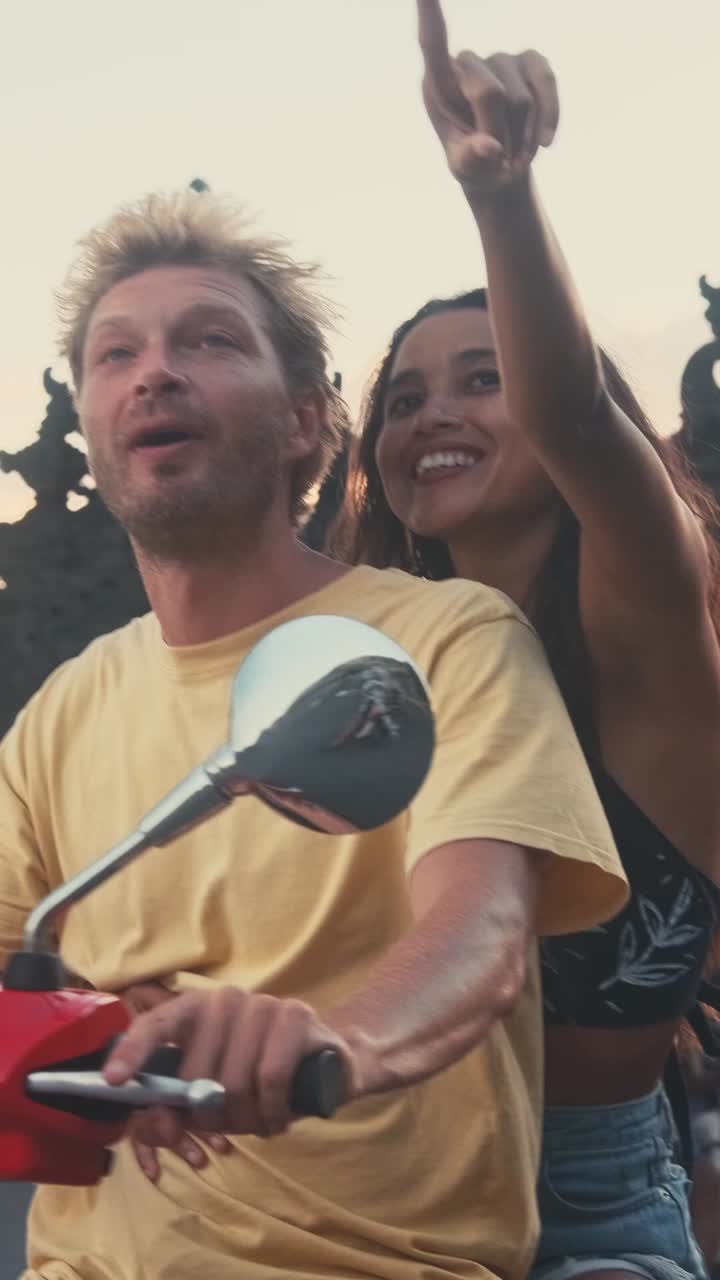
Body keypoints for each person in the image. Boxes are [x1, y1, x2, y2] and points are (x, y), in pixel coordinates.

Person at [0, 190, 625, 1280]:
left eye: (208, 338)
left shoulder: (443, 636)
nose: (153, 372)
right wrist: (92, 1033)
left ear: (303, 420)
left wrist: (339, 1040)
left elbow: (481, 929)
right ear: (94, 426)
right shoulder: (65, 703)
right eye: (115, 353)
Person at [341, 3, 720, 1278]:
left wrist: (498, 196)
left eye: (478, 375)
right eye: (402, 397)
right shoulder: (358, 670)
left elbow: (569, 408)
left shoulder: (656, 627)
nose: (431, 413)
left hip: (582, 1208)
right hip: (352, 1180)